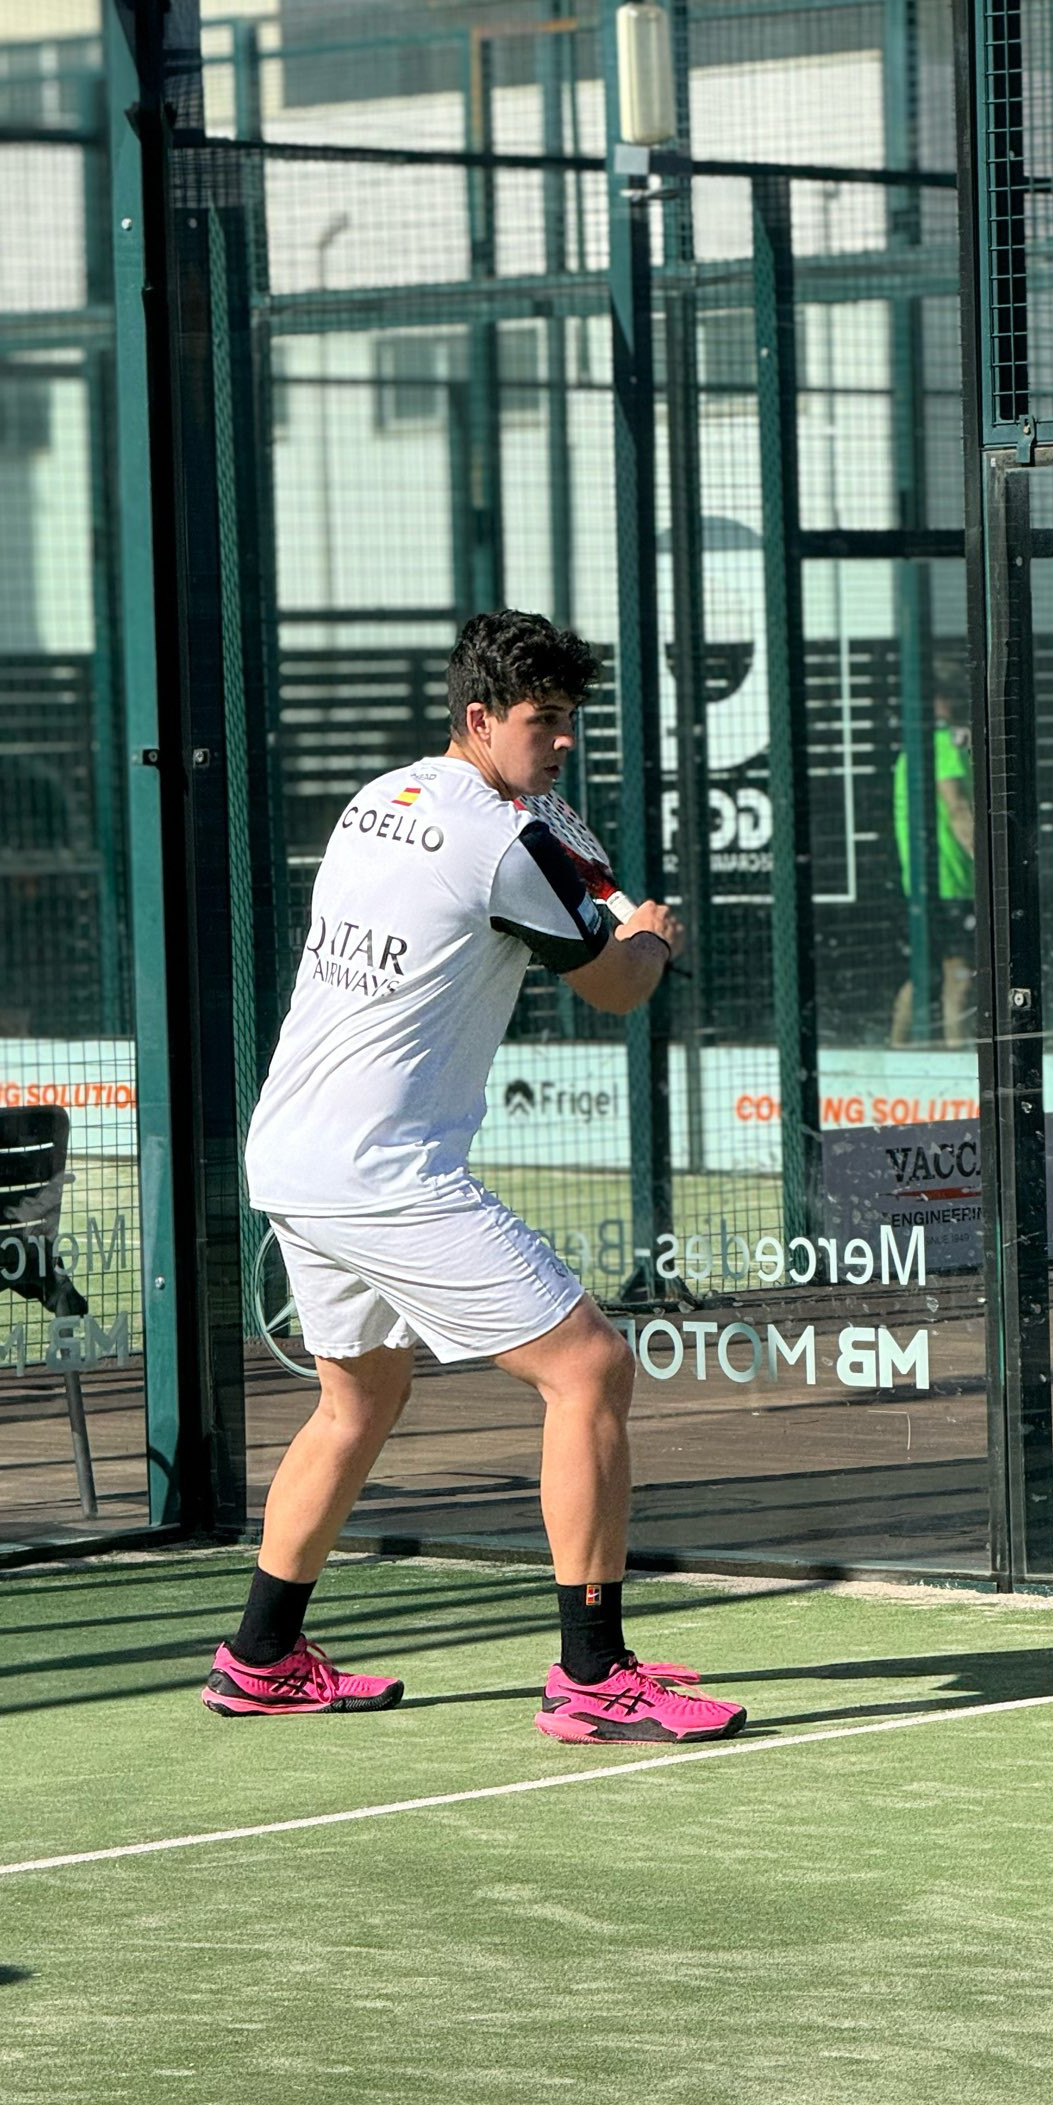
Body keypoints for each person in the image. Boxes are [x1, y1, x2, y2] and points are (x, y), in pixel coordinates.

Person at [203, 609, 746, 1746]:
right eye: (544, 722)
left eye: (572, 721)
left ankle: (260, 1657)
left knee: (358, 1400)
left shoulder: (380, 798)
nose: (563, 743)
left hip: (291, 1153)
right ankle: (593, 1676)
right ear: (480, 718)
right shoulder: (505, 843)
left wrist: (606, 927)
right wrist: (652, 938)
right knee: (588, 1369)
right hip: (382, 1169)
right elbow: (615, 989)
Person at [890, 674, 976, 1049]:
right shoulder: (942, 746)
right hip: (951, 880)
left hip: (926, 881)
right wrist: (992, 863)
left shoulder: (916, 749)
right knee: (959, 975)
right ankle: (960, 1056)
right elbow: (957, 807)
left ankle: (896, 1048)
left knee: (925, 973)